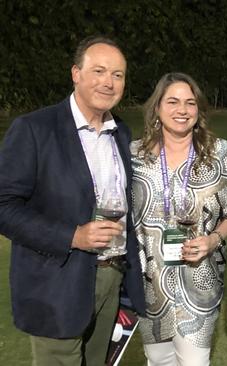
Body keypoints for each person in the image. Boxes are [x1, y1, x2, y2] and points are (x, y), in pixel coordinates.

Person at [0, 36, 145, 365]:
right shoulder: (35, 129)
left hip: (111, 277)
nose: (108, 82)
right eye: (99, 71)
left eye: (118, 74)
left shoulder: (120, 132)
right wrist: (73, 236)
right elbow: (4, 206)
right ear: (76, 73)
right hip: (57, 282)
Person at [130, 72, 227, 365]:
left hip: (200, 283)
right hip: (150, 284)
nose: (182, 110)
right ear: (157, 107)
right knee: (158, 362)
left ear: (199, 110)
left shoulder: (220, 153)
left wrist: (213, 240)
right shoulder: (134, 157)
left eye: (190, 103)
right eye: (173, 102)